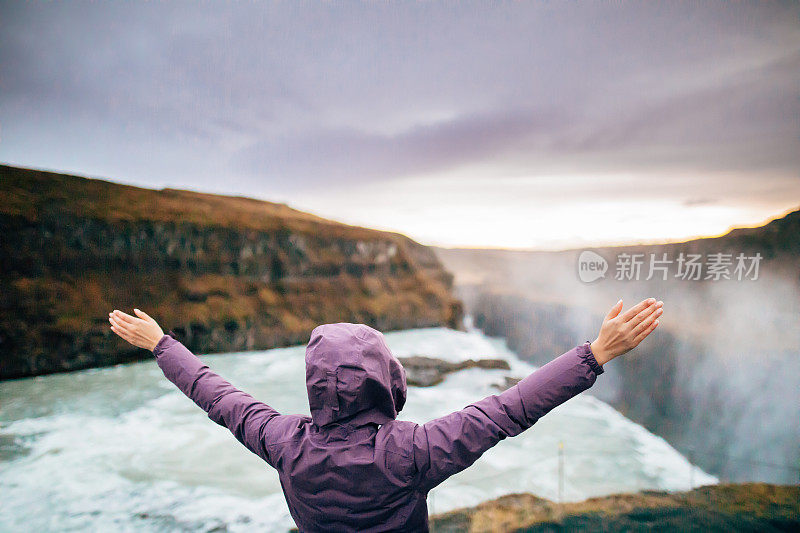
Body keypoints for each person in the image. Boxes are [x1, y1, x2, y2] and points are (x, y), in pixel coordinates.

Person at [109, 297, 663, 532]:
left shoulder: (283, 442)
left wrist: (162, 343)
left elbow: (217, 396)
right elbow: (508, 410)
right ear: (388, 380)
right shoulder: (413, 451)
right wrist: (594, 354)